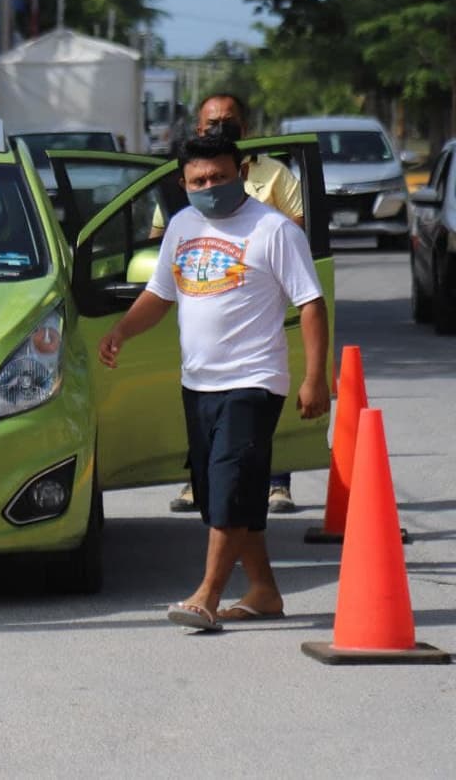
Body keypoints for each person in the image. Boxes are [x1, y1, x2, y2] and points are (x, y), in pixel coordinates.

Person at [99, 134, 328, 629]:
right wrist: (121, 330)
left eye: (220, 177)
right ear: (183, 184)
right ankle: (264, 590)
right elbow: (160, 294)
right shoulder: (182, 226)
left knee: (228, 486)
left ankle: (207, 595)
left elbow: (311, 303)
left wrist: (315, 378)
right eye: (199, 180)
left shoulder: (274, 230)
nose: (210, 187)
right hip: (198, 384)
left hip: (254, 380)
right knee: (219, 491)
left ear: (240, 173)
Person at [155, 93, 305, 514]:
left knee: (240, 464)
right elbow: (158, 243)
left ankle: (275, 483)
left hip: (256, 338)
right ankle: (256, 575)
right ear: (199, 130)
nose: (221, 128)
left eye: (229, 121)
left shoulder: (273, 179)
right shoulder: (184, 203)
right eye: (212, 123)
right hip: (201, 349)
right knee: (219, 477)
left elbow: (298, 234)